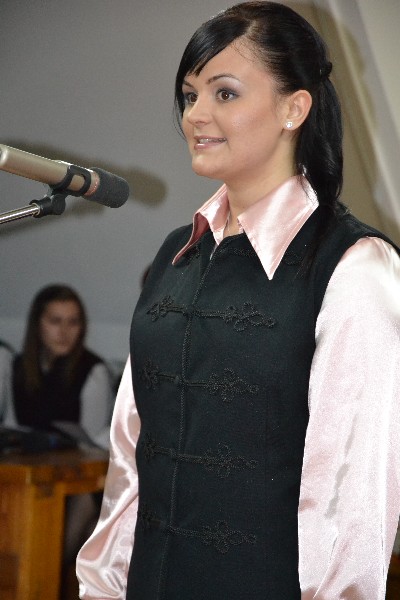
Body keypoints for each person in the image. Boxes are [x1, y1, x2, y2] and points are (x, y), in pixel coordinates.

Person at [76, 2, 400, 599]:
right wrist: (102, 587)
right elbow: (130, 455)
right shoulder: (177, 252)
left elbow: (350, 498)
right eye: (189, 95)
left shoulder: (355, 266)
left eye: (224, 93)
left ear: (294, 108)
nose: (195, 115)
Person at [3, 284, 114, 581]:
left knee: (73, 508)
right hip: (34, 471)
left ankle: (41, 578)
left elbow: (92, 445)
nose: (64, 332)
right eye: (55, 321)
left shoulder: (93, 370)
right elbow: (13, 425)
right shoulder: (18, 366)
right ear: (37, 324)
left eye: (72, 322)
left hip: (81, 480)